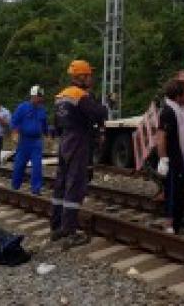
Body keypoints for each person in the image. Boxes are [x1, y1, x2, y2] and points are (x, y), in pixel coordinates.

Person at [51, 60, 107, 246]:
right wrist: (103, 105)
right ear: (81, 76)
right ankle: (69, 229)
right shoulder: (80, 96)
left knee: (61, 182)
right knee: (75, 183)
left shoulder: (60, 96)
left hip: (65, 140)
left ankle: (57, 225)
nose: (91, 78)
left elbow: (57, 123)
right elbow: (100, 114)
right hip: (78, 140)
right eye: (89, 75)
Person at [156, 79, 184, 234]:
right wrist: (163, 159)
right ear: (178, 94)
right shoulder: (168, 111)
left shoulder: (183, 109)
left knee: (181, 193)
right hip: (173, 158)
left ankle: (177, 224)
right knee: (172, 192)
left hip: (182, 158)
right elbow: (161, 136)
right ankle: (169, 224)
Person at [11, 85, 48, 195]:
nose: (41, 98)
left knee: (37, 166)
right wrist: (15, 132)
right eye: (39, 96)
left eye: (41, 96)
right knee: (19, 165)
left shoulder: (42, 110)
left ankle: (36, 189)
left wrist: (48, 136)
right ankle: (15, 187)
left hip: (36, 142)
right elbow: (14, 121)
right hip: (23, 141)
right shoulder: (22, 108)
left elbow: (45, 125)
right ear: (33, 95)